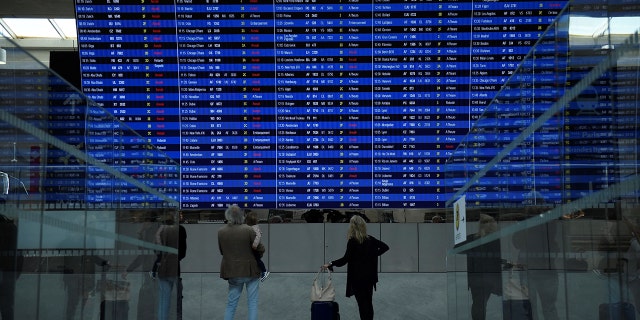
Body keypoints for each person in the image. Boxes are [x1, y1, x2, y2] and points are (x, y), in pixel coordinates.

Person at [321, 215, 389, 320]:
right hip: (369, 278)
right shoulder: (370, 239)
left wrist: (330, 263)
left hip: (358, 278)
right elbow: (385, 247)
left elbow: (345, 259)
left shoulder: (353, 241)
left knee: (362, 305)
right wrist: (373, 254)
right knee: (368, 303)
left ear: (352, 227)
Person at [218, 204, 263, 320]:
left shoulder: (221, 232)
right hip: (250, 271)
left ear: (228, 216)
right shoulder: (248, 229)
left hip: (232, 271)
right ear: (242, 216)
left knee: (231, 304)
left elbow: (222, 252)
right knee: (252, 303)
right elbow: (259, 248)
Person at [121, 213, 160, 320]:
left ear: (148, 222)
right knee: (151, 298)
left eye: (144, 221)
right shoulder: (152, 232)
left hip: (152, 271)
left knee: (149, 299)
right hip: (152, 271)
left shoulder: (151, 233)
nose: (142, 224)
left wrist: (128, 269)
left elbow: (143, 255)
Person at [463, 214, 502, 320]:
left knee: (479, 305)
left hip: (481, 278)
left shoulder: (473, 238)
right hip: (484, 278)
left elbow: (493, 258)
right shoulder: (493, 239)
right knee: (479, 305)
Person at [155, 212, 184, 320]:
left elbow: (156, 251)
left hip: (163, 268)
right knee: (178, 300)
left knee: (164, 301)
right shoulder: (180, 229)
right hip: (175, 268)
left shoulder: (160, 231)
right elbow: (183, 252)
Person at [0, 214, 23, 320]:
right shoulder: (12, 229)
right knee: (7, 307)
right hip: (8, 273)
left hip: (7, 271)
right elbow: (19, 255)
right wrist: (15, 275)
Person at [245, 211, 269, 282]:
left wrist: (254, 245)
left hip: (255, 248)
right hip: (253, 248)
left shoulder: (254, 227)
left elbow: (258, 236)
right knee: (255, 260)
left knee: (257, 260)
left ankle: (264, 272)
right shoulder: (251, 227)